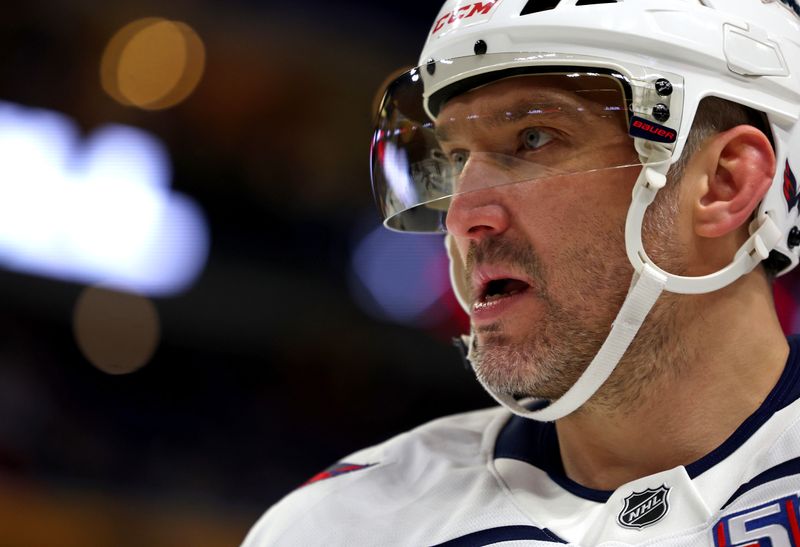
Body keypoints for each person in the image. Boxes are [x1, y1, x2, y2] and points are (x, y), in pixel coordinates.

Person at [243, 1, 800, 545]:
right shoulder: (334, 526)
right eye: (457, 158)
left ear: (723, 184)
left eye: (533, 138)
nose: (461, 218)